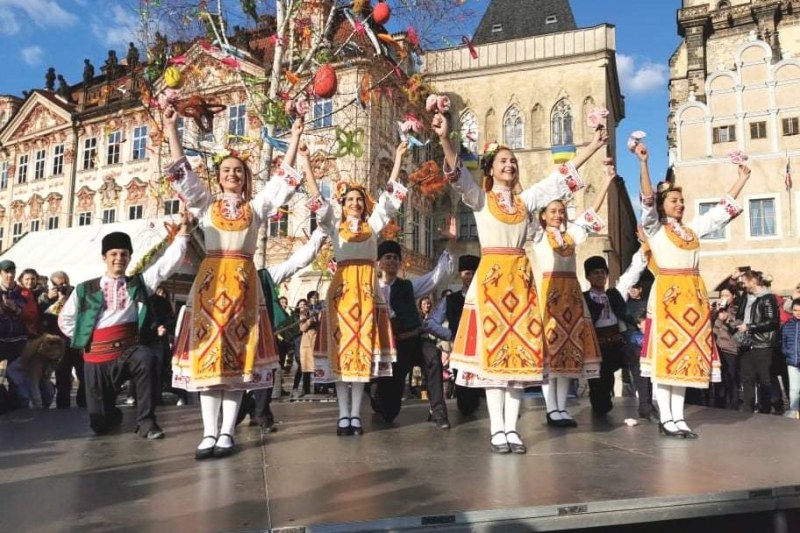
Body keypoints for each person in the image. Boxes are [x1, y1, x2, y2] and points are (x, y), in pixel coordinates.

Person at [431, 111, 606, 454]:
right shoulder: (481, 199)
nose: (509, 165)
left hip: (521, 282)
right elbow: (457, 174)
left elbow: (558, 180)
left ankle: (512, 428)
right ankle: (497, 428)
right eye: (502, 161)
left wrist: (595, 146)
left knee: (519, 359)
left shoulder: (525, 202)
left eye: (513, 161)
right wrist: (443, 138)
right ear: (491, 168)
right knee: (492, 361)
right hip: (492, 281)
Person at [164, 105, 308, 459]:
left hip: (243, 291)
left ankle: (227, 432)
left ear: (245, 178)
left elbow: (281, 183)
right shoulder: (206, 204)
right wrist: (171, 128)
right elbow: (182, 173)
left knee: (236, 363)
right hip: (211, 291)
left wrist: (295, 138)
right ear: (219, 177)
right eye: (226, 170)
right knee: (208, 363)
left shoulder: (256, 208)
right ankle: (208, 432)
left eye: (238, 171)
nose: (232, 174)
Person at [636, 140, 750, 438]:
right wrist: (644, 163)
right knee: (666, 356)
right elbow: (646, 200)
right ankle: (666, 417)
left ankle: (678, 416)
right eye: (674, 201)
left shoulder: (691, 230)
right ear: (663, 205)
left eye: (681, 201)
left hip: (693, 297)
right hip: (668, 297)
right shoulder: (655, 228)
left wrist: (741, 179)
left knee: (685, 356)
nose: (680, 205)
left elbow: (719, 213)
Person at [58, 221, 192, 438]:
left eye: (124, 254)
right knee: (100, 424)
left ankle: (146, 422)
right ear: (104, 257)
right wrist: (84, 339)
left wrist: (183, 236)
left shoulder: (138, 284)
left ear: (129, 257)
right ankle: (110, 413)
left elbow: (165, 266)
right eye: (113, 254)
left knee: (146, 357)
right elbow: (65, 319)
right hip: (97, 356)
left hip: (128, 351)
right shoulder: (85, 288)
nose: (119, 258)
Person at [314, 141, 409, 437]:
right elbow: (317, 199)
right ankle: (343, 415)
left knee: (361, 355)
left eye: (359, 199)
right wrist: (306, 162)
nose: (355, 203)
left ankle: (355, 415)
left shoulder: (373, 226)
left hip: (367, 293)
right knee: (342, 355)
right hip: (342, 294)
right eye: (350, 199)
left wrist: (398, 157)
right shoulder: (334, 227)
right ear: (342, 204)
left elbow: (390, 197)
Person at [530, 158, 616, 427]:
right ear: (543, 215)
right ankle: (551, 408)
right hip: (548, 295)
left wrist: (607, 182)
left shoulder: (571, 236)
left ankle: (561, 407)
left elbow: (592, 212)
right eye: (552, 211)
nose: (557, 214)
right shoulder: (537, 235)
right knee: (549, 353)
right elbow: (525, 207)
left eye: (561, 210)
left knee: (566, 354)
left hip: (571, 298)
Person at [371, 239, 453, 428]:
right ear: (379, 262)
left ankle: (438, 412)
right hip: (390, 349)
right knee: (389, 412)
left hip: (413, 340)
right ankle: (375, 394)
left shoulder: (408, 286)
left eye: (395, 258)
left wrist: (449, 244)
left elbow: (435, 277)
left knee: (433, 356)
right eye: (387, 257)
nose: (392, 261)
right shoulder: (372, 288)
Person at [583, 247, 652, 421]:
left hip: (618, 345)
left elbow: (632, 274)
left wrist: (644, 249)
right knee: (602, 405)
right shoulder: (583, 298)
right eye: (595, 273)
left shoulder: (613, 294)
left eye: (603, 273)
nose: (600, 276)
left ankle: (646, 406)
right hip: (598, 351)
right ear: (588, 277)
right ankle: (601, 402)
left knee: (638, 356)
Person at [425, 255, 481, 414]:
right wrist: (451, 334)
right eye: (467, 273)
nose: (470, 276)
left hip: (483, 350)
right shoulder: (450, 300)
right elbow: (430, 323)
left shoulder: (485, 298)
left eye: (473, 272)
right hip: (461, 352)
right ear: (460, 275)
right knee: (466, 400)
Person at [735, 270, 780, 414]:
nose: (744, 284)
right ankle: (747, 408)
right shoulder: (746, 296)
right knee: (747, 377)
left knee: (764, 378)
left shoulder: (767, 298)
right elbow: (741, 314)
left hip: (762, 343)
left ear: (753, 282)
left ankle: (765, 409)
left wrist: (749, 327)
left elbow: (772, 322)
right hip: (747, 343)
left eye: (745, 281)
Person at [39, 271, 85, 408]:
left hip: (76, 339)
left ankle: (83, 401)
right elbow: (42, 316)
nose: (63, 286)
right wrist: (50, 299)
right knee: (62, 375)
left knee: (82, 373)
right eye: (59, 284)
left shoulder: (76, 293)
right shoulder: (46, 296)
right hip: (59, 342)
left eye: (65, 282)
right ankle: (63, 404)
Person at [712, 287, 739, 410]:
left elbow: (735, 329)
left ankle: (734, 404)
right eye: (722, 295)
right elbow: (712, 329)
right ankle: (719, 403)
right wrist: (716, 314)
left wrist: (727, 319)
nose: (724, 298)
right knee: (719, 378)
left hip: (730, 348)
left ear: (733, 296)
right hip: (718, 348)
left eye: (727, 295)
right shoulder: (715, 310)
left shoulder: (736, 310)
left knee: (731, 377)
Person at [781, 298, 800, 419]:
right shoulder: (787, 325)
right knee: (794, 388)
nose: (798, 312)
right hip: (792, 362)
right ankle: (794, 411)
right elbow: (783, 343)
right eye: (795, 310)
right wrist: (787, 353)